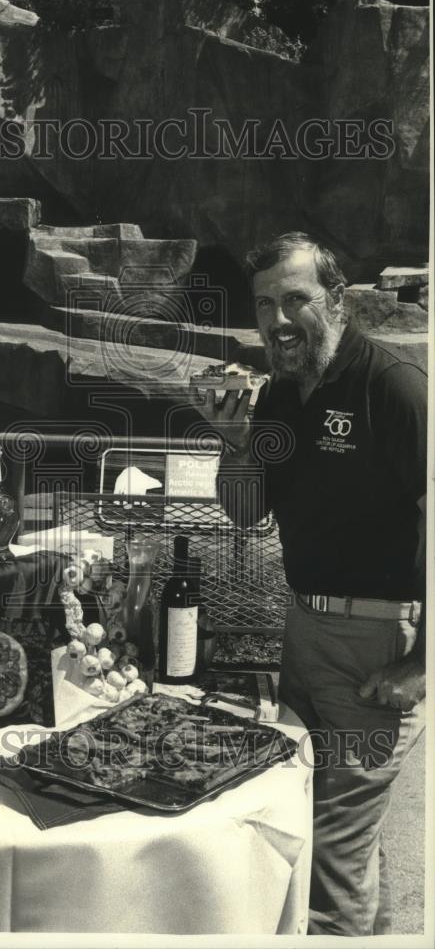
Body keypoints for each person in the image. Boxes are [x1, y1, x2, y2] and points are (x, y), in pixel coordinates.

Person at [199, 232, 426, 936]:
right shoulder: (277, 398)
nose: (277, 319)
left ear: (335, 299)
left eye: (294, 299)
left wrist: (422, 664)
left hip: (373, 646)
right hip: (301, 632)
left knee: (331, 858)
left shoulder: (390, 386)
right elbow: (244, 512)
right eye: (264, 304)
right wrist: (234, 443)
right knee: (305, 827)